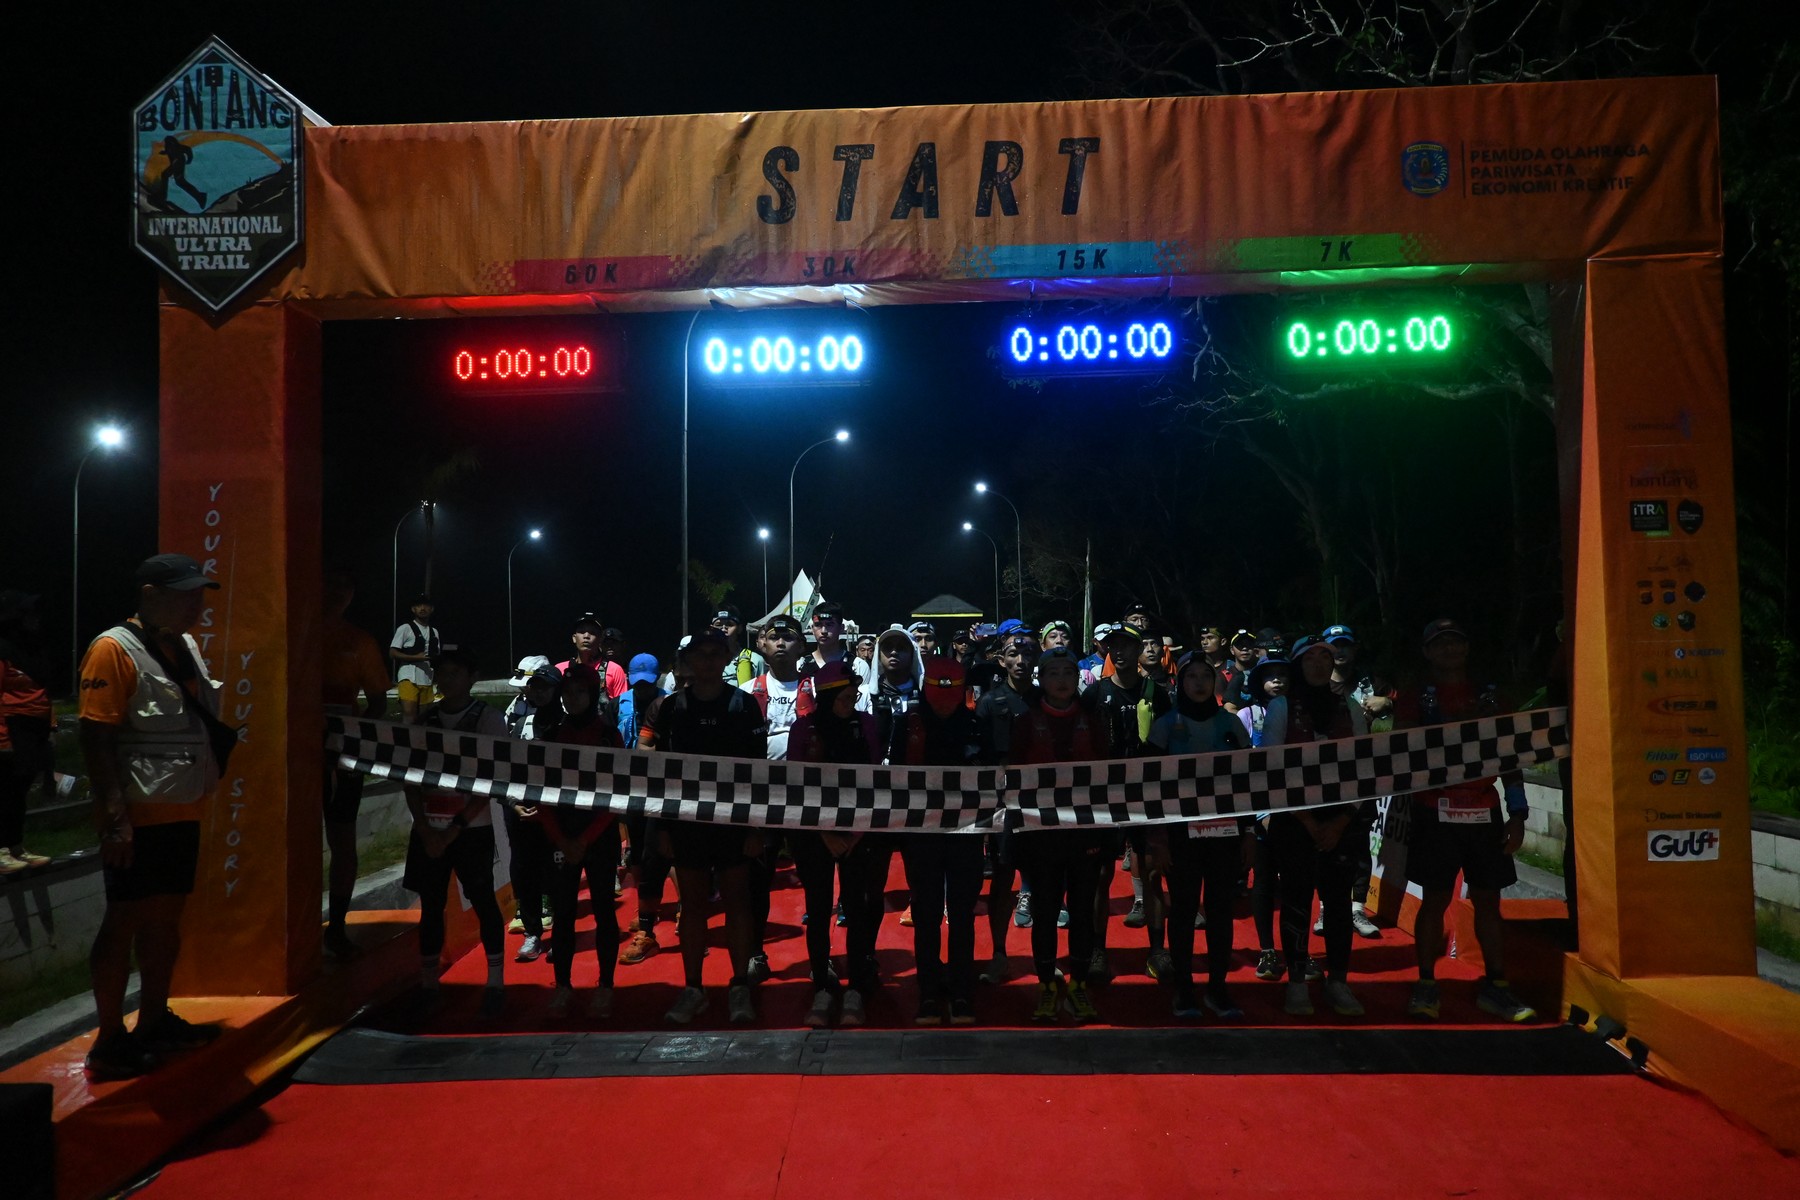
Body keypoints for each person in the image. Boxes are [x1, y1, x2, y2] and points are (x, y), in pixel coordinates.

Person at [78, 554, 227, 1078]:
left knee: (165, 921)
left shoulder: (185, 647)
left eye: (199, 593)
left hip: (180, 809)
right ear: (149, 593)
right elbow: (95, 737)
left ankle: (155, 1020)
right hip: (137, 819)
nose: (197, 603)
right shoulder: (113, 649)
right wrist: (114, 815)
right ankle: (109, 1040)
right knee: (123, 921)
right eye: (186, 594)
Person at [1396, 618, 1536, 1023]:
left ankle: (1497, 986)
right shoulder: (1416, 698)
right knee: (1435, 899)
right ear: (1427, 652)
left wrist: (1518, 814)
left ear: (1467, 648)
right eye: (1440, 643)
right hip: (1434, 810)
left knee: (1489, 901)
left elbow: (1510, 757)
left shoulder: (1491, 696)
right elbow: (1402, 752)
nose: (1450, 649)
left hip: (1484, 810)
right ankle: (1426, 984)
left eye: (1456, 641)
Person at [638, 628, 767, 1024]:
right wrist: (662, 826)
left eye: (715, 653)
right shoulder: (670, 707)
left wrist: (756, 827)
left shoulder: (744, 705)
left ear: (726, 659)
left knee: (737, 905)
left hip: (733, 822)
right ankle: (693, 989)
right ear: (688, 661)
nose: (708, 661)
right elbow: (658, 773)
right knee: (692, 907)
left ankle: (739, 987)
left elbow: (758, 772)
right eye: (701, 654)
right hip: (685, 823)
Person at [1263, 634, 1370, 1018]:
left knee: (1338, 903)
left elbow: (1365, 768)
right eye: (1310, 659)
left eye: (1326, 658)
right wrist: (1308, 821)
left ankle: (1338, 981)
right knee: (1295, 900)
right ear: (1297, 666)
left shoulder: (1350, 707)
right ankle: (1296, 981)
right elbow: (1271, 768)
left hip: (1341, 821)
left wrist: (1340, 821)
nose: (1319, 665)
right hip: (1295, 821)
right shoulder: (1281, 707)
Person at [1143, 654, 1253, 1019]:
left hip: (1225, 834)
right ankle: (1184, 990)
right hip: (1180, 837)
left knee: (1221, 911)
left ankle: (1218, 989)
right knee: (1184, 910)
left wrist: (1249, 832)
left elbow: (1249, 783)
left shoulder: (1231, 724)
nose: (1200, 682)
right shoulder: (1164, 726)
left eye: (1207, 675)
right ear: (1181, 682)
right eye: (1192, 676)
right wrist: (1158, 840)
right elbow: (1150, 789)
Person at [403, 648, 510, 1020]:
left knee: (483, 903)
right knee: (431, 908)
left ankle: (495, 984)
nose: (446, 680)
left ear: (472, 677)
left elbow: (492, 780)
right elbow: (409, 778)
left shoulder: (489, 719)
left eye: (454, 673)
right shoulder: (425, 720)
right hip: (429, 832)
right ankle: (429, 985)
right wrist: (424, 828)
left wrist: (455, 829)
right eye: (442, 673)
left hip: (471, 832)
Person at [1011, 646, 1112, 1022]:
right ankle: (1047, 987)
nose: (1061, 680)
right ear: (1041, 678)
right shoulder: (1026, 721)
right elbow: (1013, 779)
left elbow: (1108, 776)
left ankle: (1079, 985)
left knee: (1082, 912)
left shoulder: (1092, 720)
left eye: (1068, 672)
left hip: (1084, 833)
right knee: (1046, 910)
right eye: (1053, 673)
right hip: (1041, 836)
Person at [788, 660, 885, 1027]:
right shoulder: (803, 729)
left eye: (853, 695)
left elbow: (875, 780)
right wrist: (824, 832)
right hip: (815, 834)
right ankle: (822, 986)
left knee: (858, 908)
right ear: (827, 697)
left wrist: (855, 833)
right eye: (845, 696)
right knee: (818, 908)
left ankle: (856, 986)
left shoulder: (867, 725)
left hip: (858, 832)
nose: (851, 701)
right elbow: (796, 785)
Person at [1080, 621, 1172, 981]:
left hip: (1146, 796)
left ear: (1139, 650)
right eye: (1113, 645)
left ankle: (1158, 951)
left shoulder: (1158, 693)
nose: (1119, 651)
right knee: (1101, 874)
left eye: (1127, 646)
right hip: (1104, 797)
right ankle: (1098, 951)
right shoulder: (1095, 693)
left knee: (1152, 873)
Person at [896, 656, 983, 1024]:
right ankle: (928, 991)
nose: (945, 701)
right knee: (927, 913)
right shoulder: (907, 723)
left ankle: (962, 990)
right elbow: (895, 778)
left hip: (967, 832)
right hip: (922, 833)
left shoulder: (976, 723)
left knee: (962, 913)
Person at [535, 663, 624, 1016]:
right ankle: (562, 986)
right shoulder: (552, 735)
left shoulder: (609, 736)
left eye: (580, 693)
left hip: (598, 836)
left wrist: (585, 839)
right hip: (562, 837)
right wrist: (561, 839)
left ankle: (606, 986)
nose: (572, 699)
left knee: (603, 909)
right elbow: (542, 795)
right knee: (563, 913)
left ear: (592, 694)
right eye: (567, 693)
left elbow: (617, 795)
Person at [320, 570, 390, 959]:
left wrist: (354, 735)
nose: (337, 593)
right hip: (295, 759)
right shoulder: (293, 632)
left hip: (343, 759)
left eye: (345, 586)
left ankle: (337, 928)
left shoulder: (359, 641)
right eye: (330, 584)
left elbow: (379, 699)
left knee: (343, 842)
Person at [1320, 623, 1390, 940]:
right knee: (1326, 844)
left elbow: (1399, 719)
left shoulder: (1370, 683)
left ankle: (1357, 909)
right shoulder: (1315, 684)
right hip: (1324, 779)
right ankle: (1326, 908)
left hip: (1362, 777)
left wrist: (1388, 704)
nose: (1340, 651)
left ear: (1355, 649)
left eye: (1345, 645)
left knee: (1360, 844)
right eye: (1334, 646)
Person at [975, 629, 1038, 980]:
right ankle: (999, 953)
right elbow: (981, 759)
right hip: (1003, 805)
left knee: (1045, 880)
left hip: (1042, 803)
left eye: (1027, 654)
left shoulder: (1046, 698)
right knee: (1002, 879)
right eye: (1013, 654)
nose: (1021, 660)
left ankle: (1045, 958)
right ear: (1002, 661)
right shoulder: (989, 702)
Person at [503, 660, 559, 960]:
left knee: (557, 875)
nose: (538, 693)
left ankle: (562, 934)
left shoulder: (567, 726)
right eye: (534, 687)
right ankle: (532, 933)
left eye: (545, 687)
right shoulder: (521, 724)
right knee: (524, 873)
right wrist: (513, 804)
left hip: (557, 816)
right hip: (524, 813)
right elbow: (506, 769)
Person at [0, 589, 55, 874]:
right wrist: (2, 739)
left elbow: (43, 692)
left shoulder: (34, 649)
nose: (36, 618)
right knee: (4, 791)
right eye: (29, 613)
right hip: (12, 728)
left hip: (34, 730)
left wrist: (51, 726)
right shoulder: (3, 649)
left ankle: (15, 846)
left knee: (19, 792)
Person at [390, 593, 440, 724]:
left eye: (426, 605)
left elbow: (437, 655)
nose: (422, 608)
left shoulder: (434, 632)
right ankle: (405, 735)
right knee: (409, 713)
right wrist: (414, 657)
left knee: (424, 716)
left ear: (431, 609)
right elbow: (393, 653)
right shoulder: (405, 628)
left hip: (426, 677)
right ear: (413, 609)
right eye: (418, 605)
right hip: (408, 676)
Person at [559, 613, 628, 706]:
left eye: (592, 632)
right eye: (582, 632)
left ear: (600, 639)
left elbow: (622, 709)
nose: (586, 636)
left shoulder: (615, 670)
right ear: (574, 638)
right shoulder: (560, 669)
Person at [712, 607, 763, 686]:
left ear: (739, 628)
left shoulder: (755, 660)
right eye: (718, 625)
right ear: (711, 628)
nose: (723, 629)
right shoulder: (703, 660)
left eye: (729, 625)